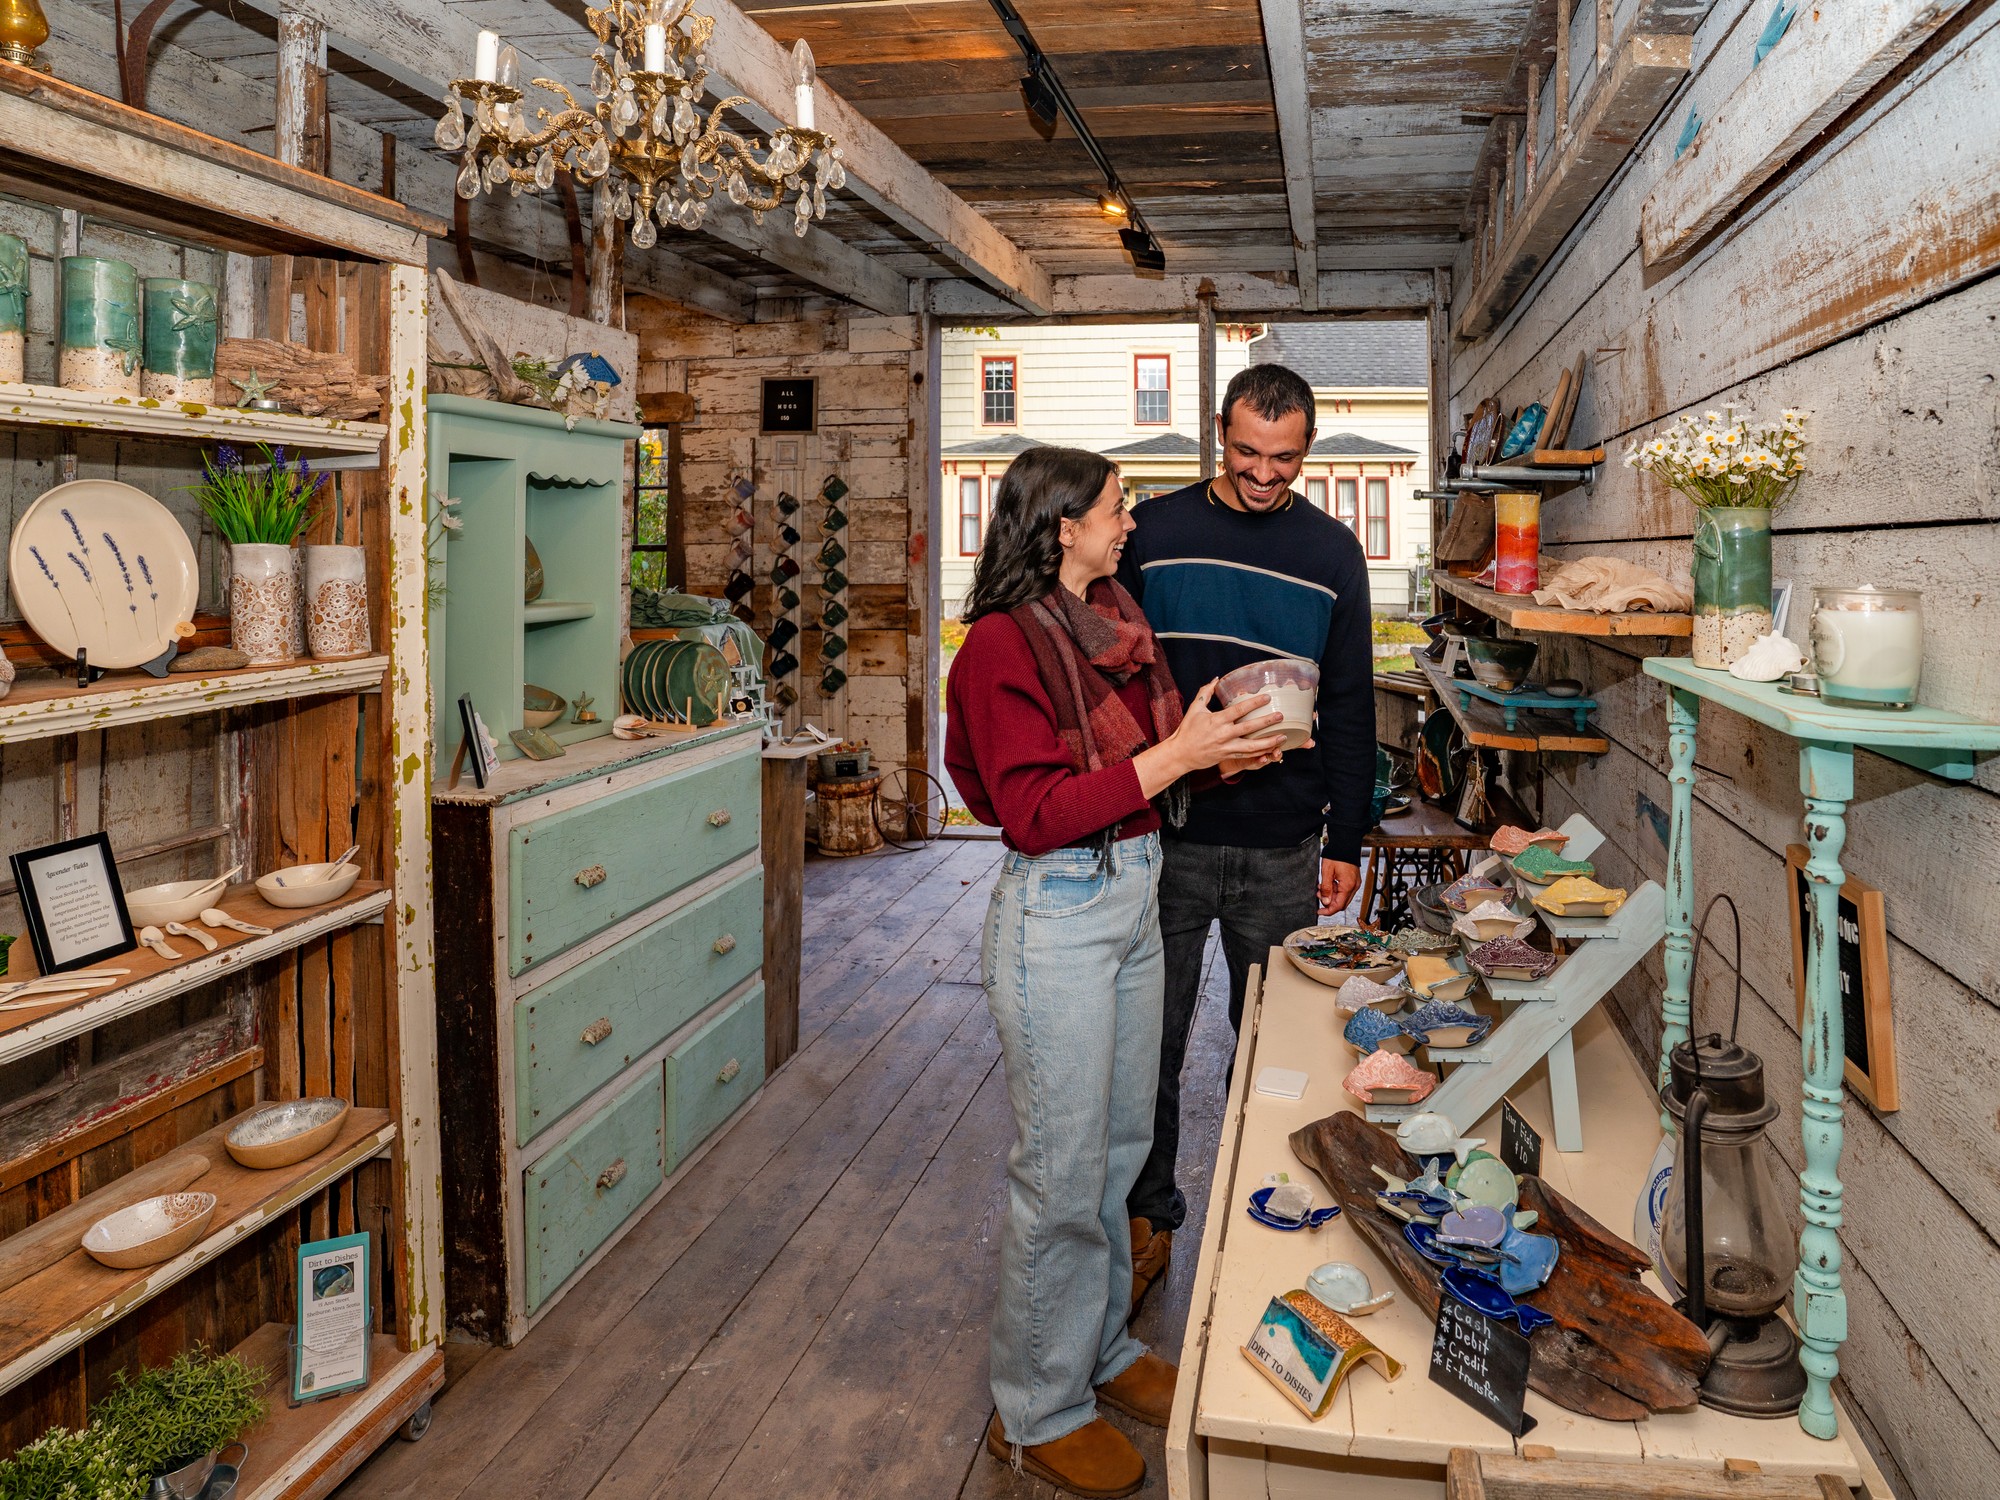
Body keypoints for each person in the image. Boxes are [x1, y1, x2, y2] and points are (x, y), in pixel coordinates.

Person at [946, 444, 1289, 1499]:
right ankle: (1036, 1409)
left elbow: (1138, 767)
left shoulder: (1116, 629)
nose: (1128, 522)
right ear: (1060, 527)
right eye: (1113, 507)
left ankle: (1095, 1353)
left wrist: (1211, 752)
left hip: (1133, 888)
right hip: (1057, 914)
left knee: (1115, 1148)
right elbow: (1032, 811)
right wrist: (1175, 760)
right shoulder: (998, 648)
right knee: (1058, 1171)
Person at [1116, 362, 1377, 1310]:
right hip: (1170, 836)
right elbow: (1116, 685)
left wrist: (1348, 836)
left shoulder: (1334, 552)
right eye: (1246, 453)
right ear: (1218, 433)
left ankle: (1263, 1210)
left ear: (1309, 445)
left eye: (1286, 459)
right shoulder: (1153, 533)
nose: (1265, 476)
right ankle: (1149, 1221)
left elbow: (1352, 708)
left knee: (1275, 1042)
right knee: (1153, 1038)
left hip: (1283, 844)